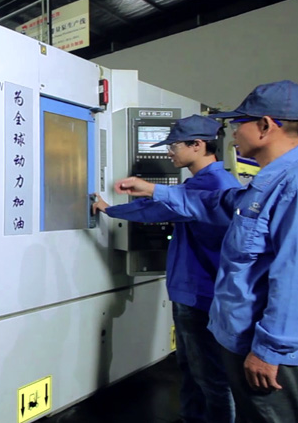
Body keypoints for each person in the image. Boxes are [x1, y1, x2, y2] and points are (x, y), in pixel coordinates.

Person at [113, 80, 298, 423]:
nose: (233, 133)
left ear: (265, 126)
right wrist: (154, 190)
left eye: (239, 123)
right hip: (242, 334)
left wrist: (269, 350)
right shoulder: (268, 182)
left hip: (267, 346)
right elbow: (216, 203)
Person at [93, 115, 239, 423]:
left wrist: (117, 206)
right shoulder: (204, 183)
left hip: (203, 294)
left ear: (197, 145)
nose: (169, 152)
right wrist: (114, 208)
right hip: (194, 293)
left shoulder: (215, 185)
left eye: (174, 146)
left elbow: (159, 207)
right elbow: (160, 208)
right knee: (192, 369)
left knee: (210, 376)